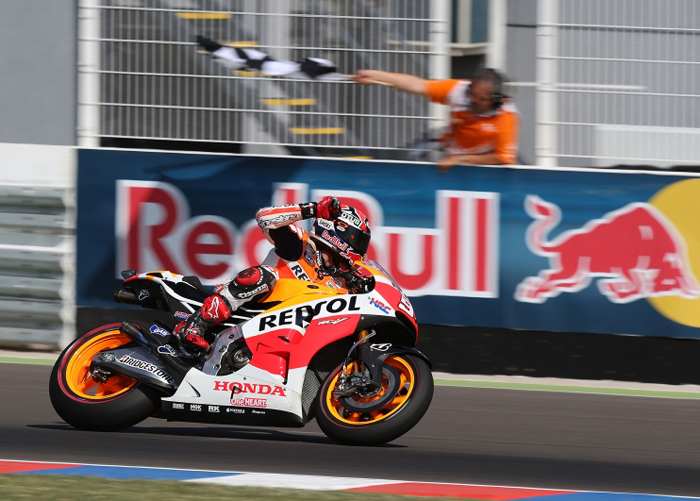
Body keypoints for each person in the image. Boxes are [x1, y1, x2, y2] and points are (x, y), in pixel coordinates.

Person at [174, 196, 372, 352]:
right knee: (264, 276)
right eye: (359, 240)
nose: (361, 249)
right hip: (250, 310)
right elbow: (264, 216)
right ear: (340, 232)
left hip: (285, 335)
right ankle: (194, 324)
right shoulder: (300, 244)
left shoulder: (341, 283)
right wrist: (312, 210)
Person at [353, 68, 519, 171]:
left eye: (481, 98)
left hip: (475, 165)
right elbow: (417, 85)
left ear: (496, 101)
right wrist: (375, 75)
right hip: (444, 147)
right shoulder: (459, 89)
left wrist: (462, 160)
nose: (472, 100)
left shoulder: (506, 116)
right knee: (402, 160)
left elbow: (503, 157)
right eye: (472, 94)